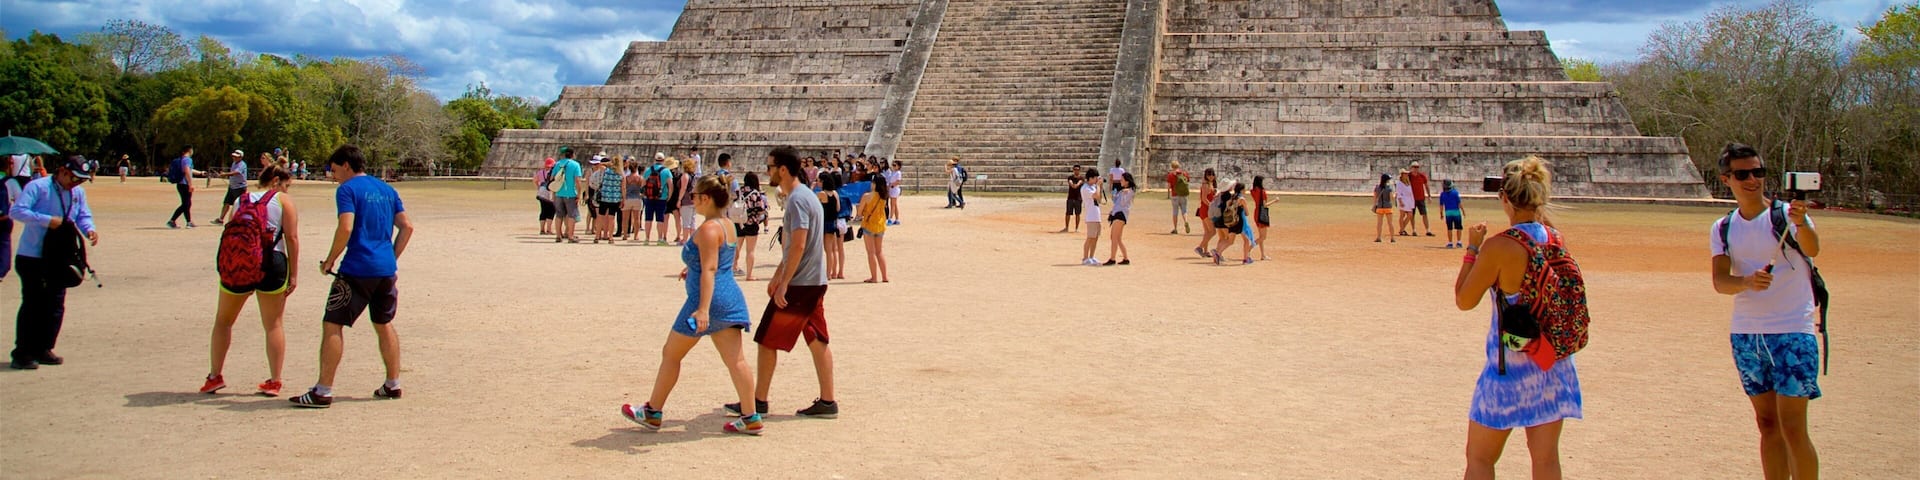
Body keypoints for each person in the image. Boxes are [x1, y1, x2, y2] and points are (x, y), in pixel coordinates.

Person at [1451, 155, 1583, 480]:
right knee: (1546, 460)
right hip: (1552, 364)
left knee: (1480, 458)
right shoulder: (1555, 238)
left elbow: (1464, 299)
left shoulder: (1499, 247)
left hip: (1509, 369)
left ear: (1505, 199)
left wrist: (1472, 249)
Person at [1708, 143, 1823, 480]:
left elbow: (1814, 248)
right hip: (1747, 334)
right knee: (1767, 424)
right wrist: (1745, 282)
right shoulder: (1723, 227)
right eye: (1743, 174)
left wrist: (1802, 224)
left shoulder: (1787, 215)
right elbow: (1720, 282)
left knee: (1793, 427)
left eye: (1758, 172)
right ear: (1726, 179)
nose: (1753, 180)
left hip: (1792, 331)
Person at [621, 175, 763, 435]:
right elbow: (716, 262)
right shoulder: (727, 224)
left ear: (706, 199)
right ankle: (750, 415)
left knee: (671, 354)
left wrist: (703, 308)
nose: (692, 200)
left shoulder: (708, 229)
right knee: (736, 361)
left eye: (695, 196)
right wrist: (692, 268)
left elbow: (710, 267)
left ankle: (653, 410)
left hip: (707, 300)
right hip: (730, 297)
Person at [290, 145, 416, 408]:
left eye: (334, 170)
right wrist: (391, 256)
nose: (333, 175)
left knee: (333, 323)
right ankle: (393, 383)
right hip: (385, 270)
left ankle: (323, 390)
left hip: (357, 269)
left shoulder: (347, 190)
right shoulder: (387, 189)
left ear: (346, 165)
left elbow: (346, 226)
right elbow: (407, 227)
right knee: (383, 323)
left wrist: (330, 259)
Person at [726, 146, 838, 419]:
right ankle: (827, 401)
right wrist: (778, 274)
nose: (768, 171)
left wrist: (784, 282)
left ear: (783, 169)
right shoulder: (805, 196)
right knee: (816, 338)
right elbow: (793, 246)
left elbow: (798, 245)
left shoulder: (798, 199)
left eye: (770, 166)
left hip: (801, 283)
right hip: (813, 280)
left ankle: (758, 401)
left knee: (767, 340)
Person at [199, 165, 299, 396]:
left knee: (223, 321)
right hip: (272, 262)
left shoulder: (241, 200)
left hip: (240, 262)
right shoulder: (283, 200)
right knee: (273, 324)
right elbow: (291, 238)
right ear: (276, 181)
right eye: (286, 185)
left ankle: (214, 376)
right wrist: (294, 273)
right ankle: (274, 381)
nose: (287, 190)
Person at [8, 156, 99, 370]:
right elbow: (17, 211)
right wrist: (46, 220)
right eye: (74, 178)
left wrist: (89, 229)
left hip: (59, 257)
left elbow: (83, 215)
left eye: (81, 180)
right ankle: (22, 352)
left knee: (55, 304)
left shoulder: (77, 193)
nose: (76, 183)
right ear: (62, 171)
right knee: (33, 304)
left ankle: (44, 348)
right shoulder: (38, 187)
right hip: (33, 255)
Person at [856, 175, 890, 282]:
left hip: (869, 224)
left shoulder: (867, 196)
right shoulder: (884, 196)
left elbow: (859, 212)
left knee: (871, 252)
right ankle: (884, 277)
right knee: (879, 252)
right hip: (880, 225)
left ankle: (874, 277)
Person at [736, 172, 769, 280]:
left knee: (736, 248)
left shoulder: (739, 191)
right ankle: (749, 275)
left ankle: (733, 268)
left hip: (739, 222)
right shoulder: (756, 193)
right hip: (752, 222)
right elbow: (761, 209)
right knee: (750, 250)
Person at [1210, 181, 1251, 265]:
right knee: (1246, 240)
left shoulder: (1231, 198)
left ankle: (1218, 252)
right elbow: (1247, 213)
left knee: (1230, 241)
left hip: (1231, 221)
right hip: (1240, 222)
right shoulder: (1242, 199)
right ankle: (1246, 259)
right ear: (1242, 190)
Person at [549, 147, 584, 243]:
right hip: (570, 193)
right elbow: (578, 181)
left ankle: (558, 235)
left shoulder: (558, 164)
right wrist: (579, 194)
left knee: (559, 215)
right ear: (572, 155)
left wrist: (553, 193)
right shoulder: (575, 165)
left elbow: (552, 178)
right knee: (571, 215)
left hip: (558, 193)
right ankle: (570, 236)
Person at [820, 173, 849, 281]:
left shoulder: (822, 194)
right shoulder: (836, 193)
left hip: (825, 222)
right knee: (834, 250)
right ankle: (834, 272)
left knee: (828, 250)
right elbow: (838, 208)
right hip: (835, 222)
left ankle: (829, 273)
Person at [1104, 172, 1135, 265]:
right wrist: (1115, 193)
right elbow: (1115, 201)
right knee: (1117, 238)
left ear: (1127, 181)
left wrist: (1124, 193)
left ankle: (1112, 258)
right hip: (1117, 214)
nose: (1120, 181)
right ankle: (1125, 258)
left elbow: (1122, 203)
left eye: (1122, 179)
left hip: (1120, 214)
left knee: (1114, 237)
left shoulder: (1129, 191)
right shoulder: (1123, 191)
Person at [212, 150, 250, 226]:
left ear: (241, 157)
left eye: (236, 156)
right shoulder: (233, 163)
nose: (234, 158)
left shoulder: (242, 164)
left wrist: (225, 174)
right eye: (233, 156)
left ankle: (243, 220)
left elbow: (236, 172)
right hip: (232, 187)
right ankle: (220, 219)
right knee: (226, 203)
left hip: (240, 187)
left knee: (240, 205)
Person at [167, 145, 201, 229]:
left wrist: (200, 173)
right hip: (185, 184)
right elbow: (187, 171)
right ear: (190, 151)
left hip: (180, 184)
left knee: (186, 203)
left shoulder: (182, 159)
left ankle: (188, 222)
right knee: (186, 204)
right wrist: (190, 184)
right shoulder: (188, 159)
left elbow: (189, 170)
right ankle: (173, 220)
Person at [643, 153, 674, 245]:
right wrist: (669, 196)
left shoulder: (648, 170)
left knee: (648, 218)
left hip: (649, 197)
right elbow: (670, 185)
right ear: (663, 160)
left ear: (655, 159)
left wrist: (645, 194)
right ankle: (660, 238)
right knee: (660, 219)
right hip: (661, 197)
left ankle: (647, 238)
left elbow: (643, 183)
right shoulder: (666, 171)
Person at [595, 156, 625, 244]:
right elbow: (623, 188)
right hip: (615, 198)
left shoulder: (606, 171)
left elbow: (601, 164)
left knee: (600, 217)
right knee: (611, 218)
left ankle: (597, 236)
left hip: (604, 197)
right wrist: (623, 199)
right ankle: (610, 237)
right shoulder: (621, 174)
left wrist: (607, 164)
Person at [1079, 171, 1104, 266]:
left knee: (1095, 238)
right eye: (1095, 178)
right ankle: (1085, 258)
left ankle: (1091, 256)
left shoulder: (1094, 187)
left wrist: (1100, 187)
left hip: (1097, 215)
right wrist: (1098, 185)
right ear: (1090, 178)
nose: (1096, 180)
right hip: (1091, 216)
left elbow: (1099, 199)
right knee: (1090, 238)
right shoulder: (1085, 188)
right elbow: (1096, 196)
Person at [1192, 169, 1218, 257]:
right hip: (1206, 210)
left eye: (1212, 174)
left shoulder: (1210, 184)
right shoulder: (1206, 185)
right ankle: (1200, 247)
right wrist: (1212, 206)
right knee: (1213, 231)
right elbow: (1204, 199)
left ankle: (1205, 251)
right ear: (1206, 176)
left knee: (1207, 232)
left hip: (1205, 209)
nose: (1211, 176)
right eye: (1209, 175)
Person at [675, 158, 698, 244]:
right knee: (693, 221)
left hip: (686, 200)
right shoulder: (694, 176)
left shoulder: (685, 176)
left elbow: (683, 188)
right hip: (694, 201)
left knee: (686, 222)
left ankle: (684, 240)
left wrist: (679, 200)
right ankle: (692, 240)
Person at [1251, 176, 1273, 261]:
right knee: (1263, 237)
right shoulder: (1262, 192)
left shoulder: (1253, 191)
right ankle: (1249, 248)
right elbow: (1265, 205)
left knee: (1261, 236)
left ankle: (1263, 255)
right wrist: (1275, 201)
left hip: (1256, 212)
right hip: (1261, 213)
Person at [622, 161, 645, 242]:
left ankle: (625, 234)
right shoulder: (640, 178)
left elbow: (624, 189)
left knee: (625, 218)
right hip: (637, 199)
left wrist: (623, 199)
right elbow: (643, 189)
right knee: (637, 218)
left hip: (628, 198)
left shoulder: (626, 178)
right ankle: (636, 235)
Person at [1410, 161, 1434, 236]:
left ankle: (1428, 230)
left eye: (1417, 167)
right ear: (1411, 168)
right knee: (1412, 215)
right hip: (1412, 199)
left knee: (1424, 214)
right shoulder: (1408, 176)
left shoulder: (1422, 176)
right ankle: (1413, 230)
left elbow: (1426, 186)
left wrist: (1429, 196)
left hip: (1421, 198)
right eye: (1414, 167)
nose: (1416, 169)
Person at [1167, 160, 1191, 235]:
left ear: (1172, 166)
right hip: (1183, 195)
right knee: (1184, 210)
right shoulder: (1184, 173)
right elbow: (1187, 182)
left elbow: (1169, 186)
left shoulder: (1170, 175)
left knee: (1175, 212)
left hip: (1175, 195)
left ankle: (1175, 228)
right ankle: (1186, 221)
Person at [1059, 166, 1084, 233]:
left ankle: (1076, 228)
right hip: (1070, 197)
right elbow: (1071, 183)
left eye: (1077, 170)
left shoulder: (1081, 178)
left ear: (1079, 170)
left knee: (1077, 214)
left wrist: (1075, 185)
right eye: (1075, 169)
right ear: (1073, 170)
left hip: (1078, 198)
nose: (1076, 171)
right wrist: (1074, 185)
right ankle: (1066, 227)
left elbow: (1079, 183)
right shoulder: (1070, 177)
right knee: (1068, 213)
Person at [1442, 180, 1466, 248]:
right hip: (1456, 212)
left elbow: (1441, 205)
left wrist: (1441, 213)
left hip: (1448, 213)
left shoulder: (1442, 194)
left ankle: (1450, 243)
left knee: (1449, 228)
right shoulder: (1455, 193)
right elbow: (1459, 203)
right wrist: (1463, 211)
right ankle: (1459, 242)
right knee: (1459, 228)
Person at [535, 158, 556, 235]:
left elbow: (535, 180)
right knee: (551, 211)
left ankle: (542, 229)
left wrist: (538, 187)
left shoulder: (540, 172)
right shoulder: (552, 173)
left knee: (543, 211)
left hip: (541, 191)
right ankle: (549, 229)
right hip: (549, 192)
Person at [1395, 169, 1416, 236]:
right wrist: (1400, 201)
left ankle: (1402, 229)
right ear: (1402, 175)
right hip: (1403, 200)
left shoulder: (1408, 182)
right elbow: (1398, 193)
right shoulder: (1399, 183)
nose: (1407, 175)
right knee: (1402, 215)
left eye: (1407, 174)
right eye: (1405, 174)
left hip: (1409, 200)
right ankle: (1402, 229)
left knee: (1410, 215)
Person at [885, 160, 903, 225]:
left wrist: (891, 185)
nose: (893, 166)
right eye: (893, 165)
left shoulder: (898, 173)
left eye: (895, 165)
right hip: (891, 189)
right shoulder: (893, 172)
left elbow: (898, 181)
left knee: (892, 205)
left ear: (898, 166)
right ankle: (897, 219)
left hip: (894, 189)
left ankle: (890, 218)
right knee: (894, 205)